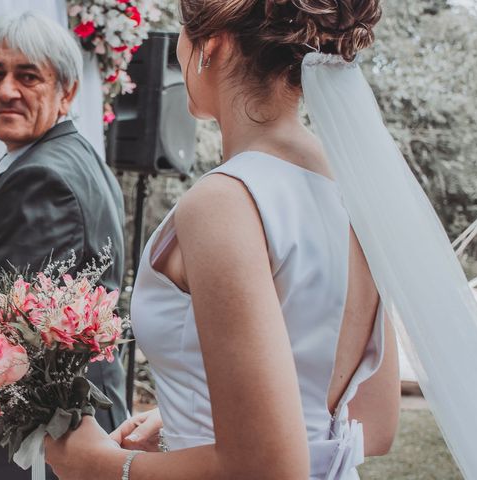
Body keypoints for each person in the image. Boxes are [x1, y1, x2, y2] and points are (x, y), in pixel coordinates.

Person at [46, 1, 403, 479]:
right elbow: (373, 426)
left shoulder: (224, 202)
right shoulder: (354, 191)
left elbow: (264, 469)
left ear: (210, 46)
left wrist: (102, 465)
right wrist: (192, 421)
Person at [0, 11, 127, 480]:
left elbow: (3, 340)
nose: (7, 90)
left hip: (53, 445)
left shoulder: (41, 177)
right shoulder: (70, 154)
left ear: (66, 92)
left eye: (28, 76)